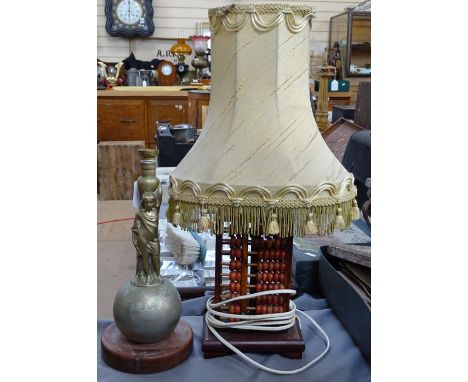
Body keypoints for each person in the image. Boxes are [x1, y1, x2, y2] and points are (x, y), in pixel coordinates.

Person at [132, 191, 161, 285]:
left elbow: (160, 196)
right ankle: (147, 275)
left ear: (154, 202)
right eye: (147, 202)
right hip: (143, 240)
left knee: (156, 257)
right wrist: (134, 240)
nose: (149, 204)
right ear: (143, 203)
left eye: (151, 202)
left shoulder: (156, 211)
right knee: (145, 258)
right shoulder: (139, 214)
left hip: (154, 240)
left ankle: (158, 274)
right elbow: (135, 228)